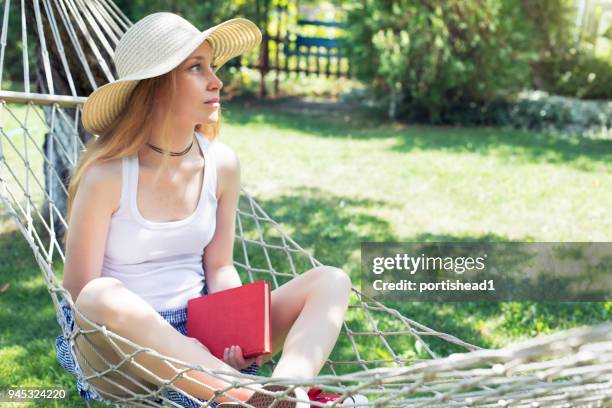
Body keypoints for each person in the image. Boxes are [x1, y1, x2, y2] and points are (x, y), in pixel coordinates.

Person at [54, 12, 366, 408]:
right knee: (100, 295)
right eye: (196, 68)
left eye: (213, 67)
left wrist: (237, 326)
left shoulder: (222, 164)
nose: (216, 81)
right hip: (123, 354)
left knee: (332, 281)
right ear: (156, 87)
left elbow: (218, 265)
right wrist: (180, 348)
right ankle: (247, 395)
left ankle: (286, 392)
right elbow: (79, 292)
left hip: (204, 332)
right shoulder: (108, 175)